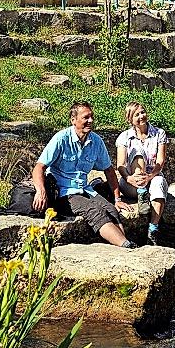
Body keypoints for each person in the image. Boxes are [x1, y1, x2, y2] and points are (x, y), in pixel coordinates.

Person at [31, 100, 136, 249]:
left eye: (91, 116)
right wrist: (40, 191)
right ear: (73, 120)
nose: (91, 121)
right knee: (94, 211)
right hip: (63, 193)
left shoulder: (96, 141)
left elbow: (109, 170)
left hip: (85, 189)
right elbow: (39, 167)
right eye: (86, 117)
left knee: (112, 209)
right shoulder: (61, 139)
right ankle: (126, 246)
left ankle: (123, 245)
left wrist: (117, 198)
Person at [115, 102, 169, 245]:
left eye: (143, 112)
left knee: (159, 182)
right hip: (131, 183)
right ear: (130, 119)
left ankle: (153, 230)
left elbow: (161, 160)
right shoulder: (124, 137)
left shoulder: (159, 133)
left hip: (152, 177)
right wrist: (129, 178)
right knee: (137, 153)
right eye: (137, 115)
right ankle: (141, 191)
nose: (141, 116)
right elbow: (120, 164)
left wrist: (151, 176)